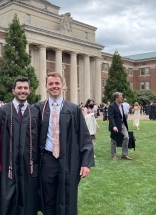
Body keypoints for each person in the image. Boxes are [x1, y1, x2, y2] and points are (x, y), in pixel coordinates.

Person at [35, 72, 94, 215]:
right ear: (46, 86)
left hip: (69, 160)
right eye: (51, 84)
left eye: (57, 83)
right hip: (48, 160)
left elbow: (84, 137)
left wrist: (85, 163)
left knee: (68, 196)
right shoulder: (38, 109)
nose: (54, 86)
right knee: (48, 197)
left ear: (63, 85)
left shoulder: (73, 109)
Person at [0, 77, 39, 215]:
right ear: (13, 90)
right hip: (8, 164)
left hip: (28, 165)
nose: (23, 91)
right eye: (19, 88)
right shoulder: (3, 111)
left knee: (27, 199)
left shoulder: (35, 112)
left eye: (25, 88)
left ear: (30, 91)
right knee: (7, 199)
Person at [108, 92, 132, 160]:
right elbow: (111, 117)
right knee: (114, 140)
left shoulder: (121, 105)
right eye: (120, 97)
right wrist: (114, 126)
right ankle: (113, 155)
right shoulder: (112, 106)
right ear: (116, 98)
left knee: (126, 137)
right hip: (115, 126)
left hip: (122, 124)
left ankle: (124, 154)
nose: (122, 98)